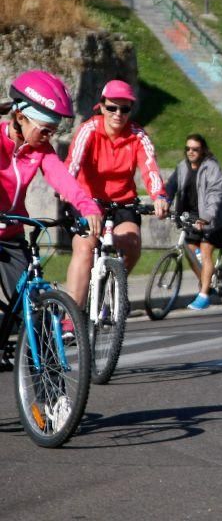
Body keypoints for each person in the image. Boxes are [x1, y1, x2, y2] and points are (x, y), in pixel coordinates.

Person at [0, 71, 102, 350]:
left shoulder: (40, 149)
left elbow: (62, 178)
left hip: (10, 234)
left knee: (34, 310)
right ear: (20, 117)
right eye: (44, 129)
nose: (48, 137)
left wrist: (86, 206)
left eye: (52, 132)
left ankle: (50, 388)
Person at [65, 80, 168, 310]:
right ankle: (71, 316)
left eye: (125, 109)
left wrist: (159, 196)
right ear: (101, 106)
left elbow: (150, 166)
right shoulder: (89, 130)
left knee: (132, 243)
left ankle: (110, 287)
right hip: (89, 201)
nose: (118, 114)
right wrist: (66, 188)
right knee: (85, 246)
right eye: (112, 107)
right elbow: (73, 161)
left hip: (123, 202)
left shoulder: (138, 135)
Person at [164, 134, 222, 310]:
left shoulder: (211, 167)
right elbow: (170, 186)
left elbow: (215, 194)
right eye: (188, 149)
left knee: (206, 251)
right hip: (191, 216)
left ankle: (204, 294)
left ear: (202, 150)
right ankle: (208, 280)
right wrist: (164, 202)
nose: (190, 152)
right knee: (190, 251)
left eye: (195, 149)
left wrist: (207, 217)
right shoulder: (182, 167)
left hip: (212, 216)